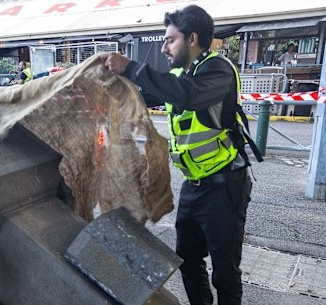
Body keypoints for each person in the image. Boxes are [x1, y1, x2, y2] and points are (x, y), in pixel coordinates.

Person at [101, 5, 262, 305]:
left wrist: (132, 67)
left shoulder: (217, 69)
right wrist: (111, 82)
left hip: (226, 184)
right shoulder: (179, 74)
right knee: (187, 259)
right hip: (194, 186)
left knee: (224, 271)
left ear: (192, 38)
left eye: (169, 40)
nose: (163, 48)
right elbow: (149, 92)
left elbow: (188, 94)